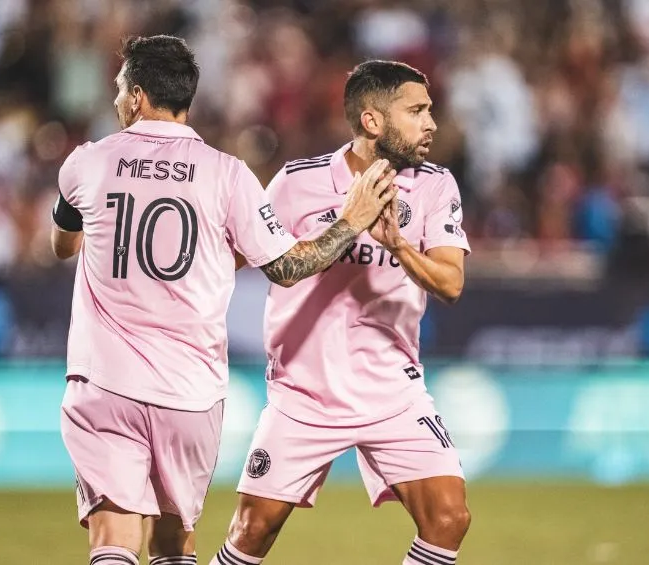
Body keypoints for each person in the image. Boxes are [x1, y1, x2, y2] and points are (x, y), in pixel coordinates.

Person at [51, 36, 397, 565]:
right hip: (190, 394)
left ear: (138, 95)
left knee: (112, 539)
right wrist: (350, 222)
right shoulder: (228, 174)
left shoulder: (87, 162)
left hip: (104, 382)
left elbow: (62, 244)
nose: (117, 101)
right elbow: (286, 267)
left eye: (121, 90)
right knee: (174, 544)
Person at [210, 60, 472, 565]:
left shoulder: (436, 186)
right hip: (305, 393)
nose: (431, 124)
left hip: (393, 392)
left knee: (449, 518)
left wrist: (399, 246)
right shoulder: (296, 184)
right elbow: (247, 259)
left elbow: (451, 283)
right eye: (416, 111)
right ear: (373, 122)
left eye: (430, 111)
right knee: (252, 529)